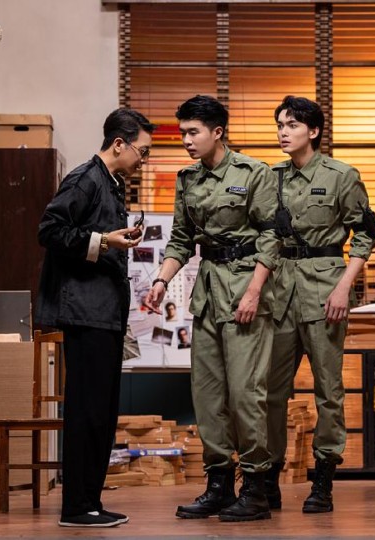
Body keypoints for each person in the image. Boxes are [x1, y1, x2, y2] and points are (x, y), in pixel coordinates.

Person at [142, 95, 279, 522]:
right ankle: (218, 484)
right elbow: (181, 239)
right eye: (182, 132)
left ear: (217, 132)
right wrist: (161, 281)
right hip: (208, 292)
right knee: (207, 395)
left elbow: (272, 238)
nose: (185, 140)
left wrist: (254, 291)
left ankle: (255, 488)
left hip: (246, 291)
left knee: (245, 394)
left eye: (193, 132)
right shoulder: (187, 179)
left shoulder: (253, 173)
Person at [35, 108, 154, 528]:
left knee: (101, 412)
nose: (143, 159)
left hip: (105, 313)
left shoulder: (111, 183)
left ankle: (90, 502)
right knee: (86, 411)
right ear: (119, 144)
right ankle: (76, 507)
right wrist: (104, 241)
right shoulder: (86, 178)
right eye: (142, 150)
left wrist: (113, 241)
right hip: (85, 313)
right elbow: (49, 230)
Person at [264, 96, 375, 513]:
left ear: (313, 131)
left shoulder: (341, 176)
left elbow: (366, 233)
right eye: (280, 125)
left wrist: (345, 286)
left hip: (325, 290)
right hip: (279, 292)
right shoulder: (270, 177)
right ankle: (268, 478)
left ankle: (324, 480)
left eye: (292, 125)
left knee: (328, 390)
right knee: (270, 392)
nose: (283, 132)